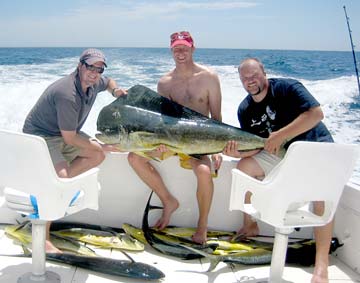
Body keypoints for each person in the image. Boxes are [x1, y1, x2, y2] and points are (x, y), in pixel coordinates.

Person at [223, 57, 334, 283]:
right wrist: (237, 153)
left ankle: (321, 267)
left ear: (264, 73)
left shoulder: (287, 88)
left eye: (254, 75)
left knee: (322, 196)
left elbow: (316, 114)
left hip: (315, 149)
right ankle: (250, 225)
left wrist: (281, 135)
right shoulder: (244, 109)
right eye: (244, 78)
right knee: (243, 168)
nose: (249, 81)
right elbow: (254, 146)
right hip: (279, 155)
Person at [23, 48, 127, 253]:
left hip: (65, 132)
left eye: (99, 69)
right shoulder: (67, 93)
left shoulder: (95, 81)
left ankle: (54, 191)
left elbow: (109, 82)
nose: (94, 72)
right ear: (80, 66)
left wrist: (116, 91)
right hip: (42, 136)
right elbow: (70, 138)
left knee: (95, 156)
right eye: (90, 67)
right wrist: (103, 145)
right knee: (62, 179)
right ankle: (40, 235)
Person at [128, 31, 223, 244]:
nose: (180, 52)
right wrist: (159, 144)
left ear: (193, 48)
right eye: (176, 48)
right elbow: (163, 121)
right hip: (172, 139)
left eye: (184, 47)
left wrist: (216, 148)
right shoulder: (165, 83)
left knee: (204, 172)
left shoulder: (209, 78)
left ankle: (202, 227)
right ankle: (168, 201)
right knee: (134, 158)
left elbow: (216, 118)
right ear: (171, 50)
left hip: (199, 140)